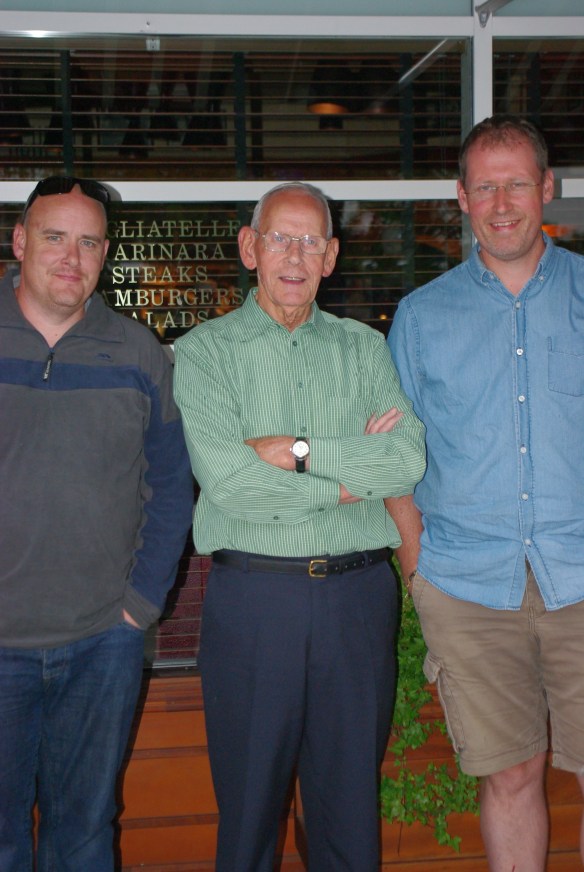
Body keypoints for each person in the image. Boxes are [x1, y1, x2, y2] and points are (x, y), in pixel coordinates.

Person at [173, 181, 426, 872]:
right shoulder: (205, 352)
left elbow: (405, 459)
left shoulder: (363, 348)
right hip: (256, 602)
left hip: (357, 603)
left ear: (331, 256)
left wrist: (299, 451)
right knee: (250, 817)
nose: (294, 255)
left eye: (311, 241)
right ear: (249, 248)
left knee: (349, 815)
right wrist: (348, 483)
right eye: (280, 238)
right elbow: (230, 483)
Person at [386, 115, 584, 871]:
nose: (502, 204)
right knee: (510, 775)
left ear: (547, 188)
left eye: (517, 184)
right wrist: (417, 569)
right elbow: (395, 457)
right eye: (485, 187)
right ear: (462, 197)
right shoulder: (421, 317)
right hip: (468, 589)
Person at [0, 175, 193, 872]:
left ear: (105, 254)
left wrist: (139, 607)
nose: (70, 257)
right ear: (20, 241)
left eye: (88, 243)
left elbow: (170, 486)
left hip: (102, 644)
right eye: (54, 237)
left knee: (84, 833)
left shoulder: (138, 353)